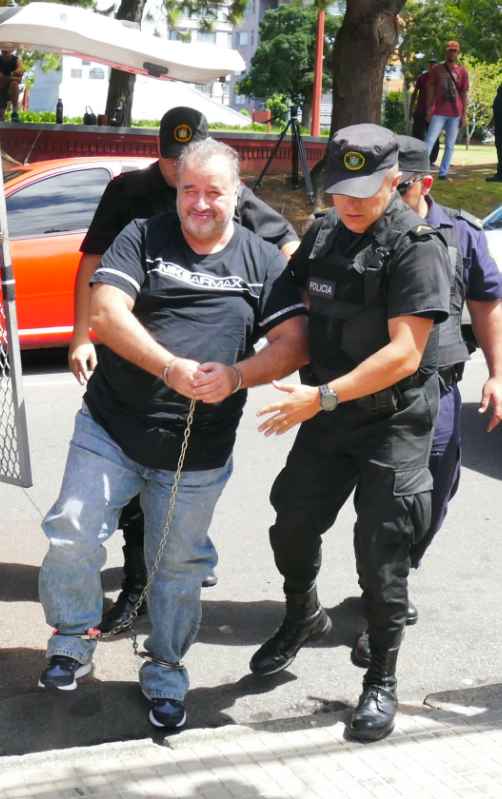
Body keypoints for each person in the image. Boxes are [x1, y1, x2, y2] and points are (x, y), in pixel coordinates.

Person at [37, 137, 309, 729]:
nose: (201, 203)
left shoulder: (263, 260)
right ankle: (72, 636)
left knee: (178, 568)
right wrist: (168, 366)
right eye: (191, 190)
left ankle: (165, 670)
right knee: (71, 531)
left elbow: (294, 345)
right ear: (176, 190)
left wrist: (238, 375)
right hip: (111, 425)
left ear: (237, 193)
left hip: (198, 449)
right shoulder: (143, 236)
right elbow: (105, 313)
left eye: (214, 191)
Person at [249, 124, 451, 743]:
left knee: (382, 552)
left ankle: (380, 680)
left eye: (366, 190)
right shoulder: (326, 231)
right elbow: (290, 297)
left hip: (391, 419)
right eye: (341, 190)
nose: (353, 202)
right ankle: (301, 615)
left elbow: (404, 355)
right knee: (292, 523)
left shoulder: (418, 246)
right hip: (328, 411)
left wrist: (322, 396)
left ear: (397, 181)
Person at [69, 106, 301, 634]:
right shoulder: (130, 196)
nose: (191, 191)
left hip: (202, 417)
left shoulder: (224, 190)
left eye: (206, 185)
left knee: (176, 528)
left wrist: (298, 305)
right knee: (115, 514)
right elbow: (94, 263)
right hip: (132, 382)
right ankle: (135, 586)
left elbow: (286, 244)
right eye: (176, 171)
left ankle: (179, 569)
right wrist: (81, 334)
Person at [347, 135, 502, 667]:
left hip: (435, 387)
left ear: (424, 184)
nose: (387, 198)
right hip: (360, 388)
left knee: (432, 495)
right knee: (375, 504)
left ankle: (396, 573)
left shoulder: (460, 232)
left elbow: (487, 307)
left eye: (401, 188)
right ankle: (381, 598)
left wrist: (497, 375)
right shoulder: (357, 225)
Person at [424, 41, 469, 182]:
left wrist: (464, 114)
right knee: (430, 140)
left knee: (450, 144)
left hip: (455, 114)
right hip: (439, 112)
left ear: (458, 53)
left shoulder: (462, 71)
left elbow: (464, 94)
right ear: (446, 52)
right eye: (450, 50)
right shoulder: (437, 70)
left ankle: (443, 173)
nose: (452, 53)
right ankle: (421, 171)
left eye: (455, 51)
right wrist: (428, 111)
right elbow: (430, 91)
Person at [409, 58, 440, 166]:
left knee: (434, 136)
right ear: (427, 66)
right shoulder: (421, 78)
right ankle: (417, 160)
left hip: (434, 112)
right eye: (430, 64)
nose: (432, 67)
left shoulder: (439, 78)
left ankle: (432, 160)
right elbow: (415, 94)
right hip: (420, 111)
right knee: (418, 136)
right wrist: (410, 109)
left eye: (434, 65)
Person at [0, 49, 24, 122]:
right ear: (1, 50)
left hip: (12, 89)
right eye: (4, 48)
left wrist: (4, 78)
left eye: (8, 48)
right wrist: (13, 74)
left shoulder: (16, 60)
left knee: (14, 84)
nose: (6, 50)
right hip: (1, 90)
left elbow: (18, 79)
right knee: (0, 117)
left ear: (12, 50)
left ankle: (15, 113)